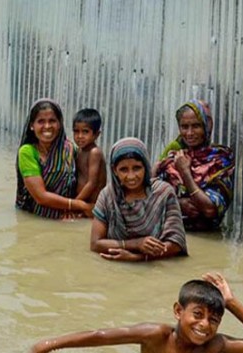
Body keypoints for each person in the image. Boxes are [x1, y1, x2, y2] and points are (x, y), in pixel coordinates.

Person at [30, 273, 243, 353]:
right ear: (177, 311)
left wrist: (232, 302)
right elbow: (102, 336)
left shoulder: (214, 346)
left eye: (213, 319)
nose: (204, 325)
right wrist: (49, 345)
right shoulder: (156, 336)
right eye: (198, 314)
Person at [91, 138, 187, 262]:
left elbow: (176, 244)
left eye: (137, 168)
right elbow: (95, 244)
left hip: (155, 267)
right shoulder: (107, 196)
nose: (131, 176)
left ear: (146, 167)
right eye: (123, 169)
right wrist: (136, 244)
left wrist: (137, 258)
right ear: (115, 170)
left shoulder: (163, 193)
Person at [155, 100, 235, 231]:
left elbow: (210, 209)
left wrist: (185, 172)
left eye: (196, 126)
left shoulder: (220, 159)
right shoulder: (173, 158)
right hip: (169, 234)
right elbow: (147, 199)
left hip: (208, 239)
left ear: (206, 126)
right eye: (184, 127)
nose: (190, 133)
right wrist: (178, 204)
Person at [15, 99, 90, 219]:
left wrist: (75, 212)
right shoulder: (27, 152)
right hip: (37, 220)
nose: (47, 126)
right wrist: (80, 206)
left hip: (68, 218)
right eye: (41, 121)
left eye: (52, 121)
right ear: (32, 126)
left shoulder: (70, 149)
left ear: (59, 124)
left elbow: (86, 181)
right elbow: (41, 197)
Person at [72, 108, 106, 204]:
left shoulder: (94, 153)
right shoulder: (79, 151)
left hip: (92, 204)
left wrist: (74, 204)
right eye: (76, 131)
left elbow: (92, 183)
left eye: (85, 132)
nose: (80, 136)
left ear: (96, 134)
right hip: (81, 201)